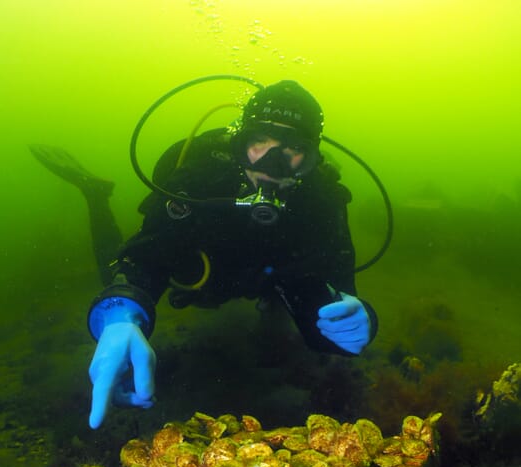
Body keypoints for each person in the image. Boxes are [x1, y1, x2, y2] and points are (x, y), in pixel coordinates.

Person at [31, 80, 378, 429]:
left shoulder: (321, 199)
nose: (272, 164)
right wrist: (120, 314)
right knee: (114, 283)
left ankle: (269, 310)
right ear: (239, 141)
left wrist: (357, 321)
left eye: (294, 148)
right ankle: (96, 195)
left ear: (312, 158)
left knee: (283, 319)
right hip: (196, 271)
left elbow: (338, 294)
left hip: (272, 278)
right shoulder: (201, 173)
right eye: (259, 141)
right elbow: (146, 255)